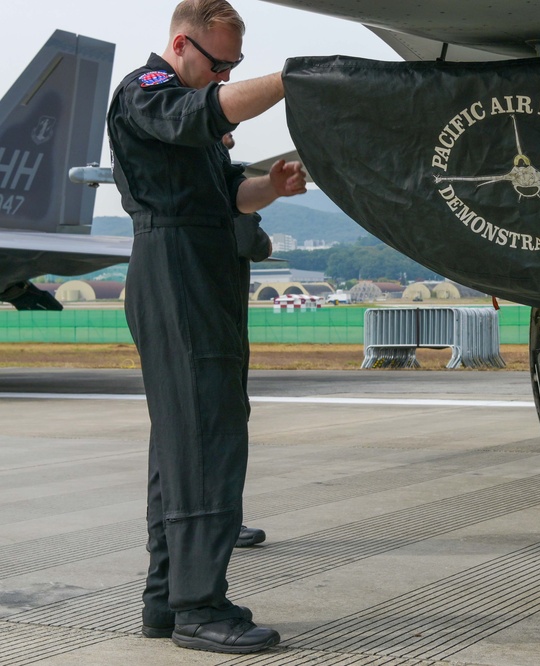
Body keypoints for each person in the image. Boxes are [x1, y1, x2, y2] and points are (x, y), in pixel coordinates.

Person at [107, 0, 306, 654]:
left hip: (201, 260)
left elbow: (229, 195)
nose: (223, 78)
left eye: (235, 67)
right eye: (219, 64)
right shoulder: (148, 92)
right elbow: (209, 111)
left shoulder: (187, 117)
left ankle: (166, 599)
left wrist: (269, 187)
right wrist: (291, 80)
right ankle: (200, 606)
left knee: (181, 440)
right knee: (204, 437)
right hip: (174, 265)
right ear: (181, 45)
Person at [223, 131, 272, 551]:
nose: (234, 138)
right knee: (227, 421)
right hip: (221, 320)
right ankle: (224, 519)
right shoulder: (222, 182)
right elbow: (253, 244)